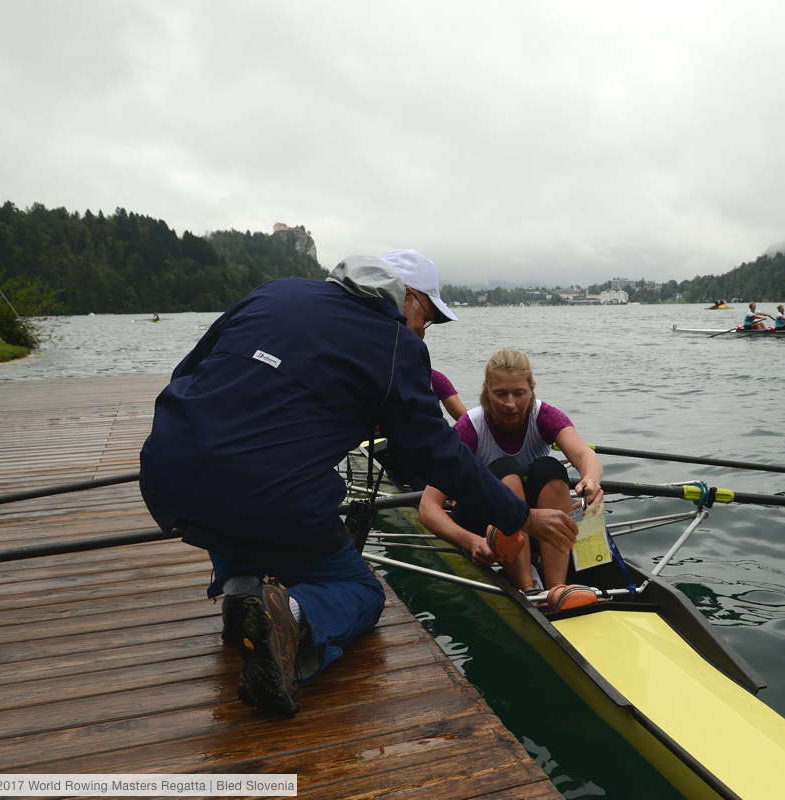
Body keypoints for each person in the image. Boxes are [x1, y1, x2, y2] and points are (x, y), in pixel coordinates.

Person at [139, 250, 578, 716]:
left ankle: (241, 593)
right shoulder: (395, 344)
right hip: (266, 496)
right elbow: (438, 454)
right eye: (424, 320)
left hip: (167, 469)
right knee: (362, 594)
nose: (420, 334)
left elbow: (184, 375)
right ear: (406, 300)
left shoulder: (275, 291)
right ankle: (289, 617)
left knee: (223, 479)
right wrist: (521, 516)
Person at [418, 348, 603, 600]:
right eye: (500, 394)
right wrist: (470, 541)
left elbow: (583, 455)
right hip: (486, 529)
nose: (510, 404)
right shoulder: (469, 427)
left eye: (519, 393)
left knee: (551, 469)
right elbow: (428, 508)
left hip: (537, 528)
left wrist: (590, 479)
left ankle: (557, 588)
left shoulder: (546, 416)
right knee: (507, 471)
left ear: (531, 390)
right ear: (486, 393)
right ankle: (527, 588)